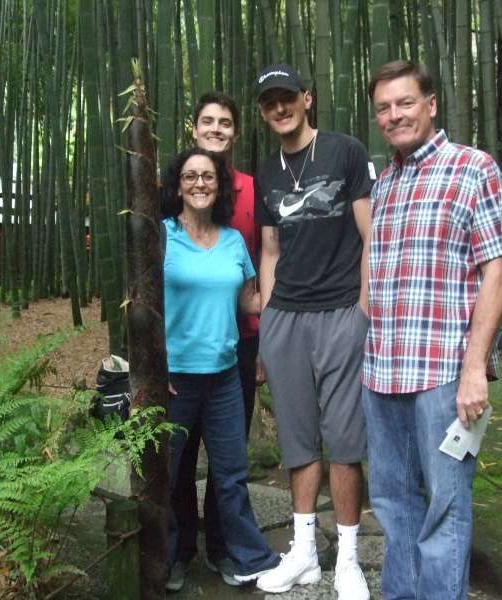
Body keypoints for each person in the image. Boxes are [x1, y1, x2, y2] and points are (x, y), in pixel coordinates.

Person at [362, 59, 502, 600]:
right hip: (382, 373)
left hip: (442, 378)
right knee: (393, 508)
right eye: (383, 107)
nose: (394, 115)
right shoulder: (384, 183)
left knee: (444, 511)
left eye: (405, 103)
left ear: (430, 104)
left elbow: (497, 270)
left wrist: (475, 369)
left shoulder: (473, 168)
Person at [252, 64, 374, 600]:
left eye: (287, 98)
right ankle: (303, 553)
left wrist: (365, 309)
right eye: (269, 102)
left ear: (308, 98)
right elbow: (271, 250)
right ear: (263, 111)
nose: (279, 108)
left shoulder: (346, 152)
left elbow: (372, 234)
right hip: (286, 318)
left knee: (345, 440)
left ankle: (348, 558)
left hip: (341, 312)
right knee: (298, 437)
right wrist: (267, 321)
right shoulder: (266, 170)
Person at [162, 147, 278, 590]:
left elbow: (251, 299)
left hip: (226, 374)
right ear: (178, 185)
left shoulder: (232, 239)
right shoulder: (162, 236)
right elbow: (142, 306)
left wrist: (296, 293)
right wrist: (152, 371)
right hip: (175, 379)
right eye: (190, 176)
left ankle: (244, 554)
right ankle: (169, 556)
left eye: (207, 176)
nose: (199, 183)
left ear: (219, 185)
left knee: (230, 474)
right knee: (169, 475)